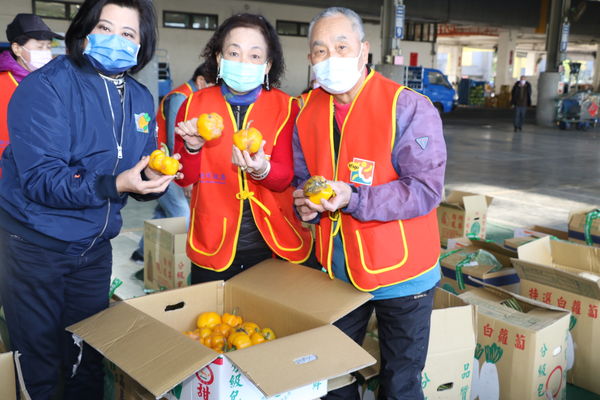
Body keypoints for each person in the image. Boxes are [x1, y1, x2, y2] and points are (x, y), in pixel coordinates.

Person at [0, 1, 174, 399]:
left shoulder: (141, 99)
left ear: (142, 43)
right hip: (35, 246)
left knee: (88, 352)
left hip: (94, 248)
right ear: (84, 32)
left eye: (128, 34)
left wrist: (151, 176)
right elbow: (42, 179)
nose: (116, 40)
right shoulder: (45, 88)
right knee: (40, 360)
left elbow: (143, 153)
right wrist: (115, 185)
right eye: (105, 28)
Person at [292, 7, 446, 400]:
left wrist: (353, 197)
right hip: (338, 269)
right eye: (320, 50)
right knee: (333, 379)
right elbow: (301, 181)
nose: (331, 58)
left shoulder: (408, 107)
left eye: (341, 46)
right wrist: (305, 207)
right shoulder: (306, 112)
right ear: (311, 59)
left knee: (400, 383)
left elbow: (425, 189)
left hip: (404, 275)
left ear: (364, 51)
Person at [174, 13, 313, 284]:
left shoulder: (287, 107)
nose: (243, 62)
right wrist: (192, 149)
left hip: (273, 241)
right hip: (213, 241)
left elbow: (285, 176)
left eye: (254, 56)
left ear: (267, 65)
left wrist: (262, 169)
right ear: (218, 58)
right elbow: (184, 178)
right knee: (212, 324)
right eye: (234, 52)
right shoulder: (193, 105)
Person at [130, 63, 214, 265]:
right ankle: (184, 267)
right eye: (212, 86)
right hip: (166, 166)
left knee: (164, 212)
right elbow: (173, 138)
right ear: (201, 81)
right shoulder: (181, 97)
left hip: (166, 165)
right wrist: (183, 177)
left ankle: (142, 253)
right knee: (182, 214)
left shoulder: (190, 97)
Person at [0, 14, 62, 173]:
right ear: (17, 49)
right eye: (40, 47)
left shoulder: (54, 82)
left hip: (44, 177)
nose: (47, 53)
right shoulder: (3, 82)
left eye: (49, 47)